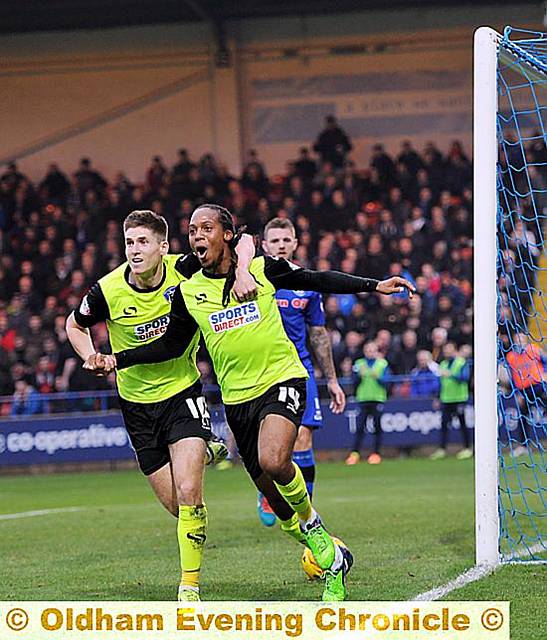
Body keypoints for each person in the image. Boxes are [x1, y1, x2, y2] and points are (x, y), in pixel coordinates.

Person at [88, 203, 414, 601]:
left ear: (227, 235)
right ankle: (326, 552)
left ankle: (315, 528)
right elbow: (170, 344)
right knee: (273, 499)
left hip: (281, 377)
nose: (196, 236)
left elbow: (315, 278)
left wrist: (372, 285)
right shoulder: (188, 290)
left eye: (206, 228)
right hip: (236, 398)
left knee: (276, 460)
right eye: (192, 231)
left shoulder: (262, 268)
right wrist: (116, 358)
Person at [66, 209, 257, 602]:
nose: (135, 250)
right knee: (178, 505)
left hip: (181, 394)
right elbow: (74, 324)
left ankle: (189, 585)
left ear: (163, 247)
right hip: (136, 406)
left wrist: (243, 272)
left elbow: (243, 240)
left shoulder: (183, 269)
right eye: (129, 242)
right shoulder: (107, 289)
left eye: (143, 242)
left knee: (189, 492)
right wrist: (90, 354)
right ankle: (203, 450)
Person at [257, 217, 346, 527]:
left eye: (286, 240)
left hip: (300, 369)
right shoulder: (254, 280)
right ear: (264, 246)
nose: (281, 245)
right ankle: (269, 493)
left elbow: (319, 334)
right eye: (275, 240)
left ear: (294, 244)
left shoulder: (306, 284)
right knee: (269, 447)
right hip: (262, 371)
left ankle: (305, 512)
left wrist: (332, 380)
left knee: (303, 440)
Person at [345, 342, 390, 466]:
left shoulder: (382, 364)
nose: (370, 352)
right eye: (368, 350)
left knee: (377, 427)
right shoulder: (359, 364)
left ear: (376, 351)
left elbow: (388, 381)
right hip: (363, 398)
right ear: (364, 351)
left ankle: (376, 453)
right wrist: (359, 376)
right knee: (360, 427)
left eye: (372, 350)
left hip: (377, 398)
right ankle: (355, 454)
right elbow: (353, 381)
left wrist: (378, 378)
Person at [506, 332, 546, 456]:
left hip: (539, 385)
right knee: (523, 417)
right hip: (524, 390)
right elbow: (512, 376)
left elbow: (545, 362)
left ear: (526, 340)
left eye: (521, 339)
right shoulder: (511, 356)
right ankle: (523, 446)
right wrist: (517, 393)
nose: (519, 341)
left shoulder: (534, 349)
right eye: (517, 339)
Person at [430, 342, 472, 460]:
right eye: (445, 350)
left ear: (455, 350)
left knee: (462, 424)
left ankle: (467, 448)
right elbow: (440, 383)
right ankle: (442, 449)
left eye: (449, 349)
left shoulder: (461, 363)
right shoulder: (442, 364)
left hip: (459, 398)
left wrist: (451, 374)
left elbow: (465, 378)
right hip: (446, 399)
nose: (447, 352)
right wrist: (437, 397)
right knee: (444, 424)